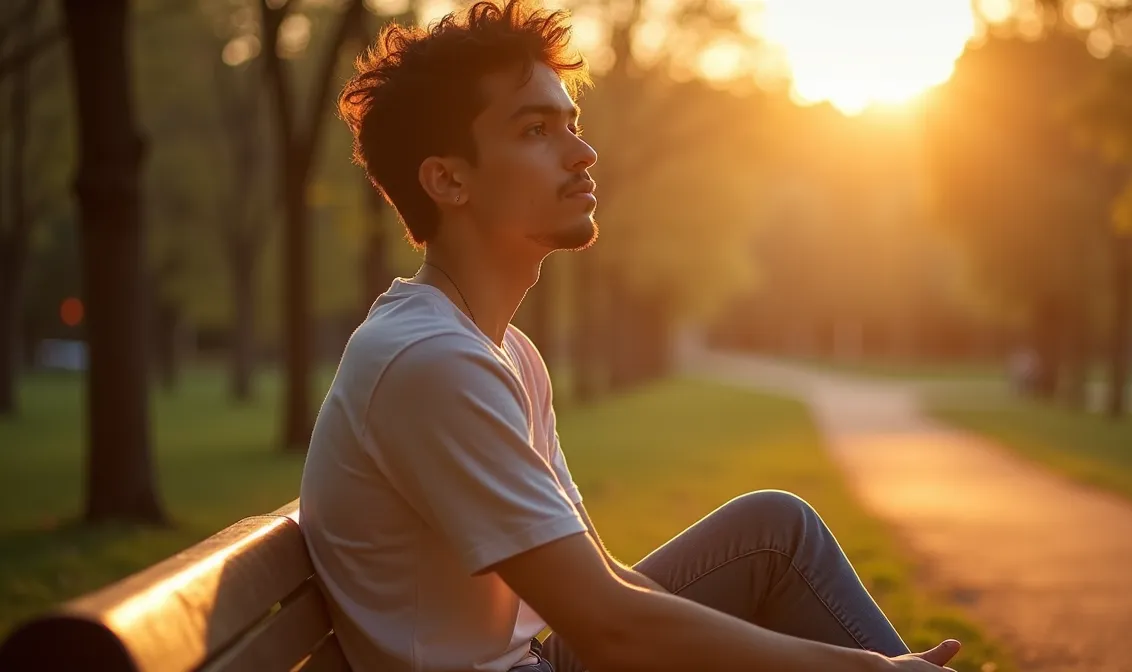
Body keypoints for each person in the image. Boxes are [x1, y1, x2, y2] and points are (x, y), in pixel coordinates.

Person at [299, 2, 963, 670]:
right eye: (535, 130)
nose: (583, 153)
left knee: (774, 534)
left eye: (573, 125)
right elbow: (608, 626)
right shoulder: (431, 361)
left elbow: (608, 587)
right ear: (448, 179)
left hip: (544, 659)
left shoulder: (503, 352)